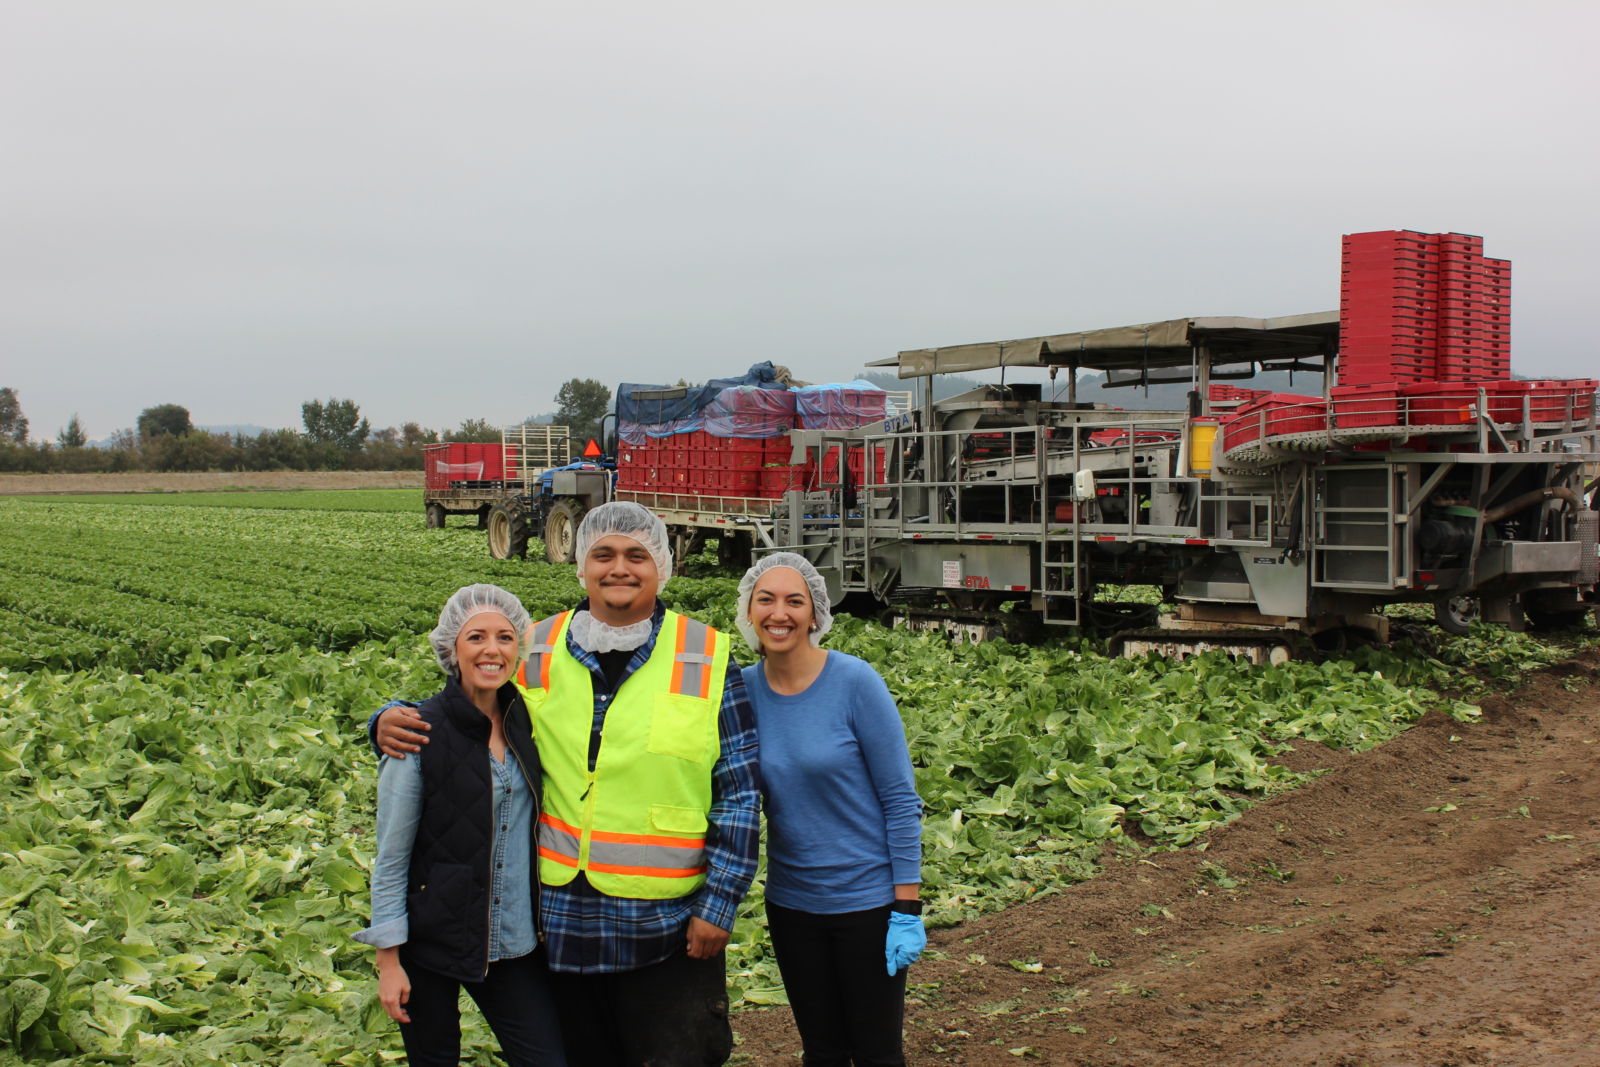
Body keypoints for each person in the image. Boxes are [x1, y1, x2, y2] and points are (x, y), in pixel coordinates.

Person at [372, 502, 760, 1067]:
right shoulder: (535, 645)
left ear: (664, 567)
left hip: (667, 925)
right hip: (559, 923)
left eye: (637, 555)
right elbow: (463, 701)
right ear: (580, 565)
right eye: (602, 554)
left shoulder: (707, 655)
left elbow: (741, 795)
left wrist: (719, 905)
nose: (618, 568)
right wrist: (385, 719)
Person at [353, 584, 566, 1066]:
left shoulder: (527, 725)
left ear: (519, 650)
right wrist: (389, 961)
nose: (492, 650)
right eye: (476, 637)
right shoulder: (417, 732)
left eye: (505, 638)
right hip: (432, 946)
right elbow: (391, 858)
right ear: (452, 648)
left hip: (514, 944)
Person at [735, 552, 925, 1067]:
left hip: (867, 904)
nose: (780, 613)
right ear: (748, 613)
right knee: (821, 1051)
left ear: (815, 614)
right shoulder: (741, 692)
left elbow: (900, 801)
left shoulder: (854, 682)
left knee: (877, 1052)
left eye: (795, 601)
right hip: (792, 905)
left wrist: (906, 907)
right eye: (766, 600)